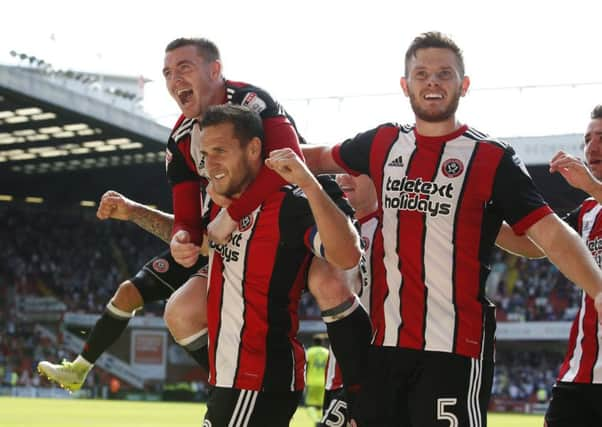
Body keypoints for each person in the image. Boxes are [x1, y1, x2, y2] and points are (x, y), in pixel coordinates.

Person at [302, 31, 602, 426]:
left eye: (444, 73)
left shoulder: (491, 157)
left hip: (455, 351)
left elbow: (547, 233)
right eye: (421, 73)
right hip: (384, 351)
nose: (432, 82)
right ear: (404, 85)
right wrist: (248, 153)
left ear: (464, 84)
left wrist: (598, 289)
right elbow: (316, 156)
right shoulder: (382, 142)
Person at [162, 37, 371, 411]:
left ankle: (360, 394)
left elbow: (287, 167)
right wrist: (182, 239)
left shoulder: (253, 102)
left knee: (328, 281)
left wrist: (233, 213)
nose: (174, 78)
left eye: (184, 68)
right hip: (245, 225)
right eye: (167, 73)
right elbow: (187, 220)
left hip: (299, 204)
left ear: (215, 70)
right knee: (181, 312)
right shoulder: (179, 140)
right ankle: (229, 382)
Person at [192, 104, 361, 426]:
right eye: (205, 152)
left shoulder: (289, 205)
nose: (210, 162)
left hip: (258, 377)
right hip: (232, 377)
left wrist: (310, 184)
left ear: (254, 149)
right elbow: (197, 244)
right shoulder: (218, 203)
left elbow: (347, 256)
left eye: (220, 151)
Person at [37, 191, 208, 392]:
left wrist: (134, 212)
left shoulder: (225, 170)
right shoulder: (187, 167)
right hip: (200, 246)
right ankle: (78, 369)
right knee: (128, 293)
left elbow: (211, 234)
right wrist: (134, 212)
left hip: (229, 253)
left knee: (183, 314)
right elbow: (194, 230)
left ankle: (230, 385)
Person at [509, 105, 602, 427]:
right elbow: (537, 245)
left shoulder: (592, 194)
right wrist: (481, 219)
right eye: (587, 139)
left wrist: (591, 186)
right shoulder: (587, 211)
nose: (592, 147)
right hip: (581, 375)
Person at [322, 173, 379, 427]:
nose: (343, 176)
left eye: (355, 168)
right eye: (338, 169)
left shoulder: (399, 227)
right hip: (336, 376)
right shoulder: (327, 229)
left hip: (381, 375)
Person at [305, 335, 330, 424]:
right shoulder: (327, 352)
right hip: (324, 382)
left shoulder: (309, 352)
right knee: (321, 404)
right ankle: (321, 420)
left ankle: (316, 420)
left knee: (309, 404)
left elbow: (305, 366)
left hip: (311, 381)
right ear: (322, 343)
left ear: (313, 342)